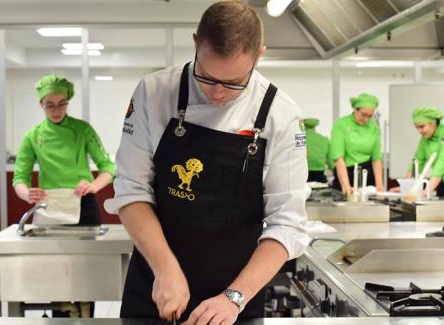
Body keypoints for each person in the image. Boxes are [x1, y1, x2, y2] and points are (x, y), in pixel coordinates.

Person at [104, 2, 309, 324]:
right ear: (196, 43)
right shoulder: (155, 91)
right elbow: (131, 189)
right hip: (155, 283)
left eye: (234, 83)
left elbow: (288, 223)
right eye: (206, 77)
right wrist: (165, 269)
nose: (216, 93)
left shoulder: (280, 114)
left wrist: (235, 297)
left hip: (236, 295)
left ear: (259, 56)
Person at [12, 74, 116, 317]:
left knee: (86, 267)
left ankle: (86, 313)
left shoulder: (82, 130)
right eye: (50, 105)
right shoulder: (33, 135)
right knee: (55, 270)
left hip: (84, 204)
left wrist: (93, 186)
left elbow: (108, 168)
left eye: (61, 104)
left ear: (68, 102)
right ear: (41, 104)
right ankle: (61, 315)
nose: (56, 110)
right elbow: (19, 178)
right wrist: (28, 194)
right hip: (49, 207)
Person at [329, 93, 384, 194]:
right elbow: (339, 158)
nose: (366, 119)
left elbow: (376, 158)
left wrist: (379, 185)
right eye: (363, 115)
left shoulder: (374, 127)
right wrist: (346, 186)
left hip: (367, 176)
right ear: (355, 109)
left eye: (370, 116)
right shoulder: (341, 125)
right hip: (346, 174)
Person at [304, 118, 331, 183]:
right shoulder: (324, 139)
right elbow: (331, 162)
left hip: (302, 178)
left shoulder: (298, 139)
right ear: (315, 126)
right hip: (320, 178)